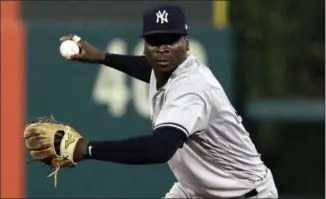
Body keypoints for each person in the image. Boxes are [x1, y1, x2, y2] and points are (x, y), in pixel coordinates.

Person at [60, 4, 278, 198]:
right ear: (145, 46)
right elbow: (148, 68)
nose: (163, 48)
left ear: (187, 44)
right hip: (196, 189)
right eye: (155, 41)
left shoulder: (191, 89)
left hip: (242, 193)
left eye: (171, 40)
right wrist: (103, 57)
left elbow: (159, 149)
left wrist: (87, 149)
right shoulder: (164, 69)